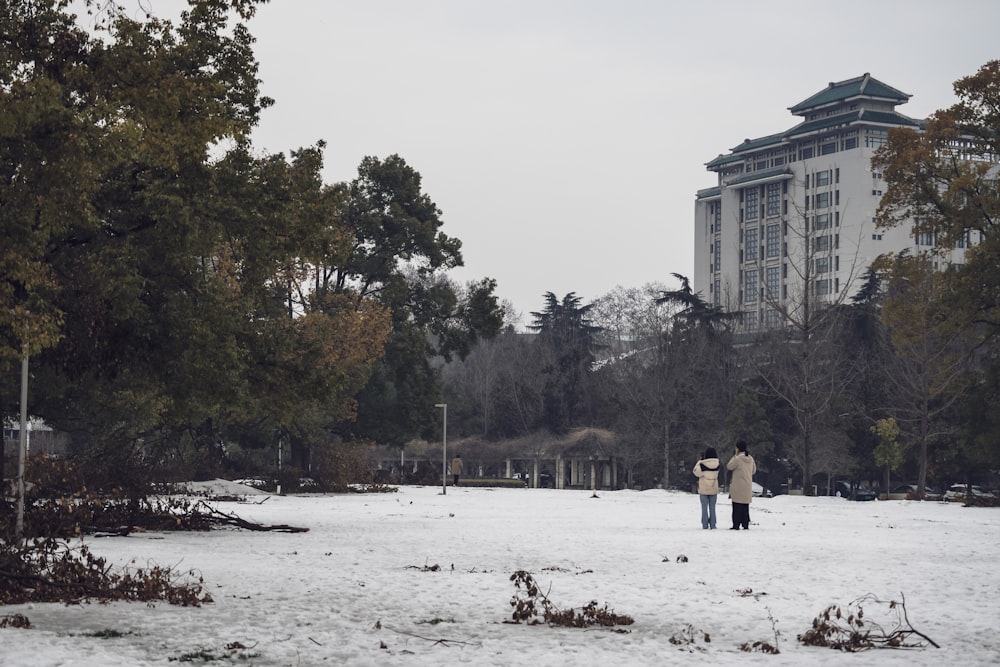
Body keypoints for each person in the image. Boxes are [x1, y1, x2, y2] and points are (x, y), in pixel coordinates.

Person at [726, 440, 757, 530]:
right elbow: (754, 470)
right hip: (747, 484)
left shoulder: (738, 458)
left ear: (738, 449)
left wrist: (735, 455)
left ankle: (736, 524)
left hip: (738, 485)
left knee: (736, 505)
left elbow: (729, 466)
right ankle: (745, 523)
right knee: (745, 506)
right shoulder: (750, 458)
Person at [692, 447, 721, 529]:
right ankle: (713, 524)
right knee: (713, 507)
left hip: (704, 488)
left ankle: (705, 524)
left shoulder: (702, 464)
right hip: (713, 488)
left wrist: (700, 461)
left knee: (704, 508)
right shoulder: (718, 464)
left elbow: (696, 472)